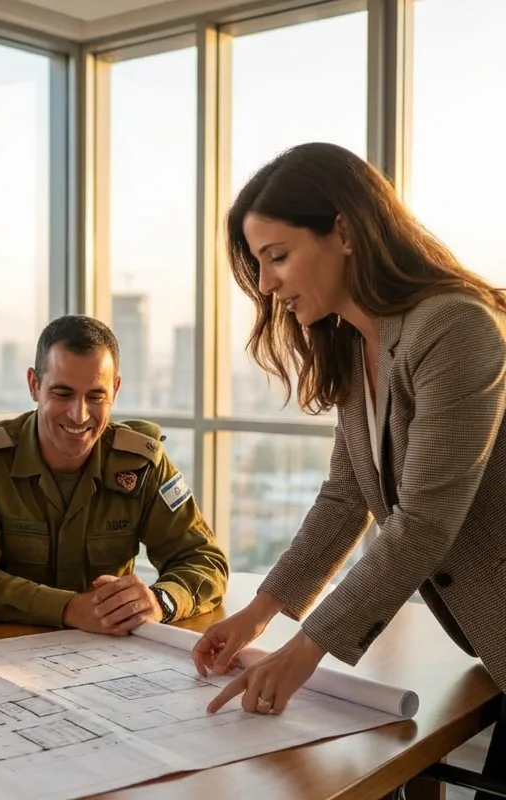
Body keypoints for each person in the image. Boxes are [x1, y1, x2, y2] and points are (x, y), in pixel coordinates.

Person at [195, 142, 506, 728]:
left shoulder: (454, 326)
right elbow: (345, 497)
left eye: (277, 256)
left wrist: (304, 650)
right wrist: (259, 613)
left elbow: (424, 520)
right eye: (258, 262)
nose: (265, 283)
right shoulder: (356, 345)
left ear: (343, 231)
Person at [0, 315, 228, 633]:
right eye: (62, 394)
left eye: (96, 396)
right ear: (34, 385)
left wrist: (160, 601)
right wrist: (68, 609)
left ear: (116, 389)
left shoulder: (141, 462)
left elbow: (203, 559)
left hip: (110, 652)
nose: (79, 414)